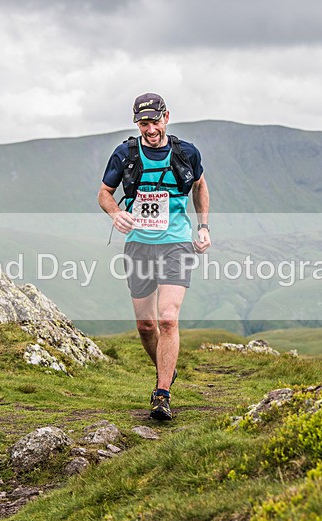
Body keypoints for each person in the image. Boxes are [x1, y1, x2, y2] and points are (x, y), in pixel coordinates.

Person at [98, 93, 211, 421]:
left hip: (176, 242)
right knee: (147, 326)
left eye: (155, 122)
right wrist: (116, 213)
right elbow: (104, 193)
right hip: (138, 245)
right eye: (143, 123)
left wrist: (203, 227)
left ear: (167, 118)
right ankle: (165, 368)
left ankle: (162, 393)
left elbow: (201, 186)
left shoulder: (186, 152)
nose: (150, 129)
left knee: (167, 318)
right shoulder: (126, 154)